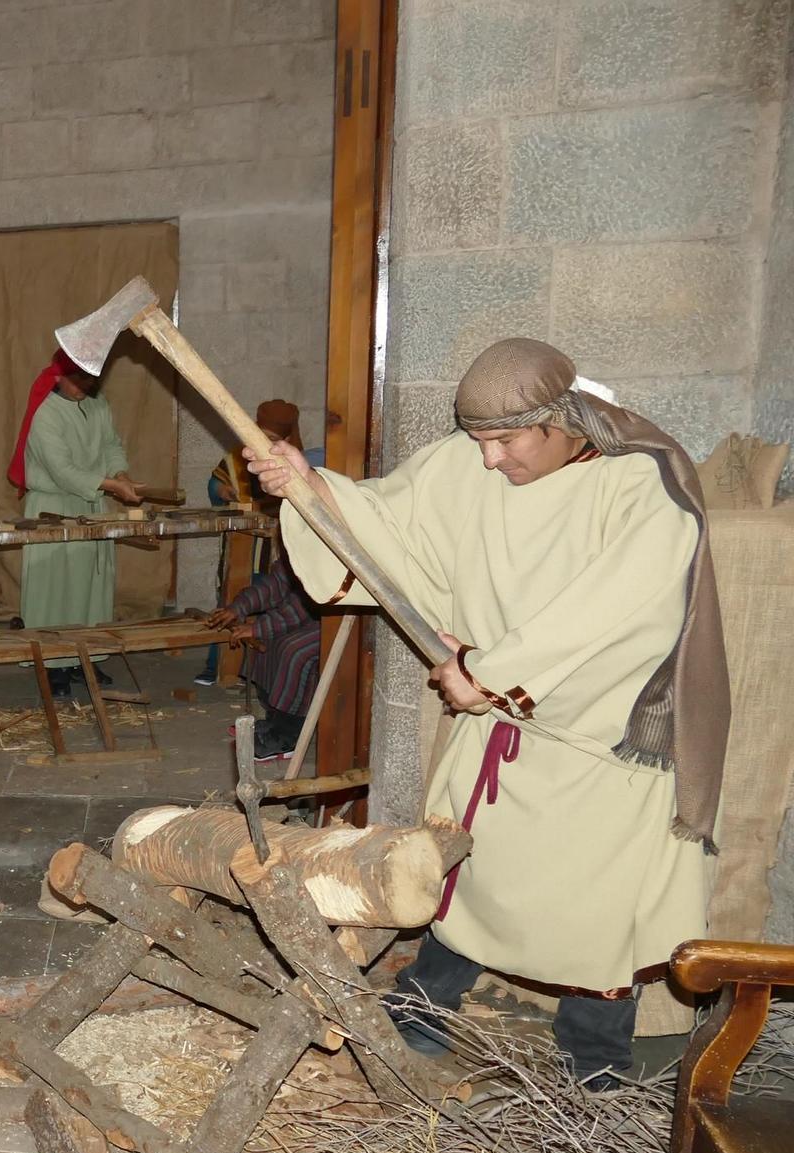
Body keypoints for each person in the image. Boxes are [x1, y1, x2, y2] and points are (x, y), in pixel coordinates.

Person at [249, 338, 729, 1089]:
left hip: (595, 740)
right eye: (478, 441)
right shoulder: (468, 464)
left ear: (560, 419)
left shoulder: (640, 489)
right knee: (470, 869)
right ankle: (427, 1004)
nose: (488, 460)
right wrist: (313, 490)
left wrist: (490, 672)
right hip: (504, 726)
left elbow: (612, 614)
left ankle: (594, 1055)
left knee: (594, 903)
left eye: (506, 440)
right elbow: (389, 517)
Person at [12, 354, 141, 697]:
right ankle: (52, 663)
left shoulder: (98, 405)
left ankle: (87, 655)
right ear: (58, 377)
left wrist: (121, 473)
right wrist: (112, 487)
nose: (86, 386)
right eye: (78, 379)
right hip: (53, 508)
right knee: (53, 589)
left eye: (90, 379)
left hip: (92, 506)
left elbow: (112, 444)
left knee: (91, 587)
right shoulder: (46, 414)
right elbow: (62, 471)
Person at [204, 403, 325, 760]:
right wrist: (238, 608)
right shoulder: (294, 517)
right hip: (308, 612)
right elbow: (279, 581)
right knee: (271, 643)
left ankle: (289, 735)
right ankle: (276, 720)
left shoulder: (321, 516)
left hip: (331, 617)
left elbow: (307, 600)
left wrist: (261, 627)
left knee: (291, 649)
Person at [193, 399, 292, 686]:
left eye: (271, 439)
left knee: (270, 604)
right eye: (259, 434)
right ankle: (218, 665)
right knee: (231, 600)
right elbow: (216, 482)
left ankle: (256, 673)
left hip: (274, 549)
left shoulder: (293, 462)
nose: (262, 442)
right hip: (240, 543)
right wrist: (221, 490)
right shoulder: (240, 455)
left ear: (285, 439)